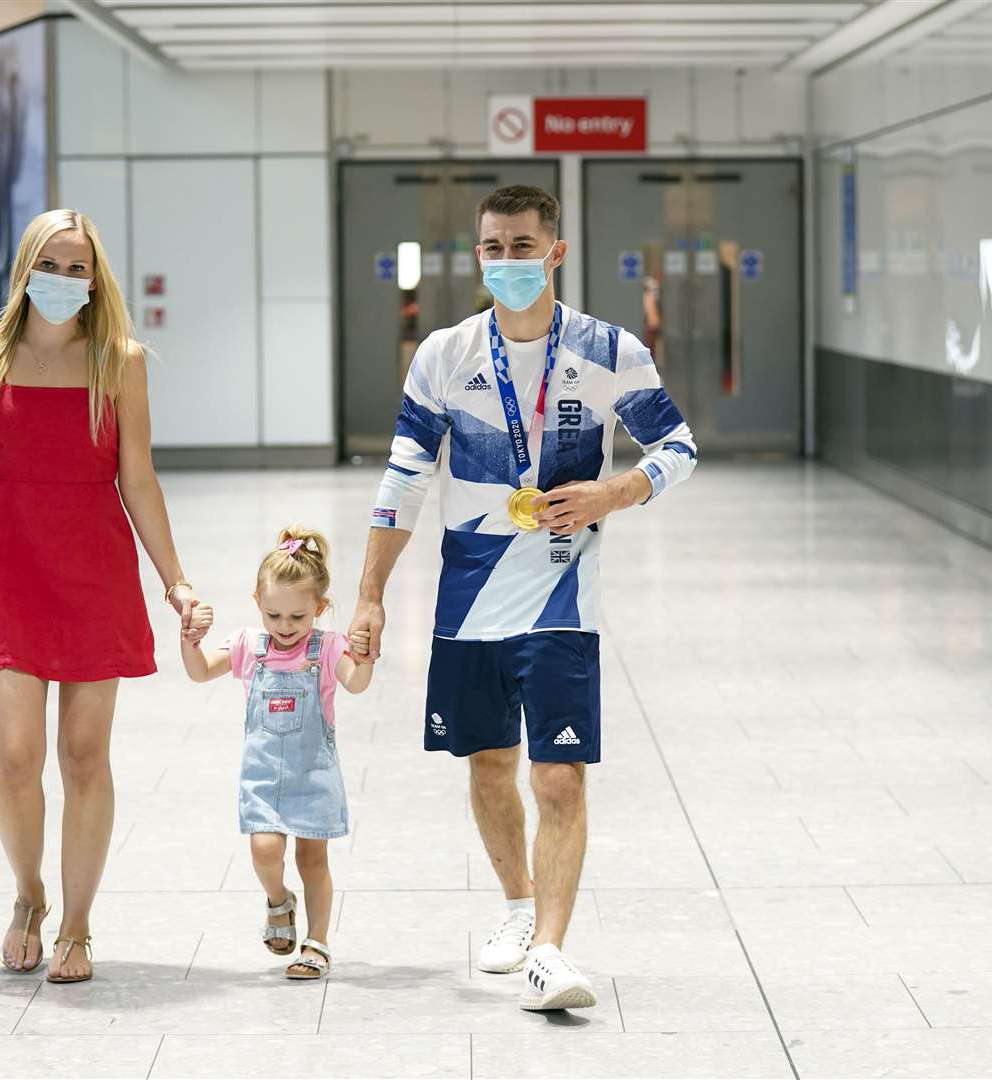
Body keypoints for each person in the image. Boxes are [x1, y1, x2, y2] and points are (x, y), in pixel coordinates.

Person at [348, 185, 696, 1011]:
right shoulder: (443, 353)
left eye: (522, 245)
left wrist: (616, 493)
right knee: (491, 762)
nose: (506, 261)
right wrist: (369, 594)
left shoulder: (610, 350)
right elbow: (404, 476)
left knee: (559, 778)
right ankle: (515, 903)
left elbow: (678, 445)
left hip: (563, 594)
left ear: (556, 251)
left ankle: (550, 947)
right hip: (468, 596)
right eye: (493, 247)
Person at [0, 208, 198, 984]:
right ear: (24, 270)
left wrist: (175, 581)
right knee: (14, 760)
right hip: (9, 567)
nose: (67, 280)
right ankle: (28, 895)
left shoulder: (121, 361)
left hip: (94, 569)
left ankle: (77, 924)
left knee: (83, 756)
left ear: (96, 278)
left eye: (80, 268)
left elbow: (136, 477)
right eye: (54, 264)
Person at [181, 527, 373, 980]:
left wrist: (365, 657)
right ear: (257, 603)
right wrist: (190, 641)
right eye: (274, 615)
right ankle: (277, 900)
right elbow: (201, 672)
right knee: (265, 850)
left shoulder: (326, 648)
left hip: (314, 775)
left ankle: (318, 942)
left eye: (298, 617)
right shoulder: (250, 645)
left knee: (313, 861)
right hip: (263, 778)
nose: (285, 627)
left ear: (319, 609)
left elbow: (355, 683)